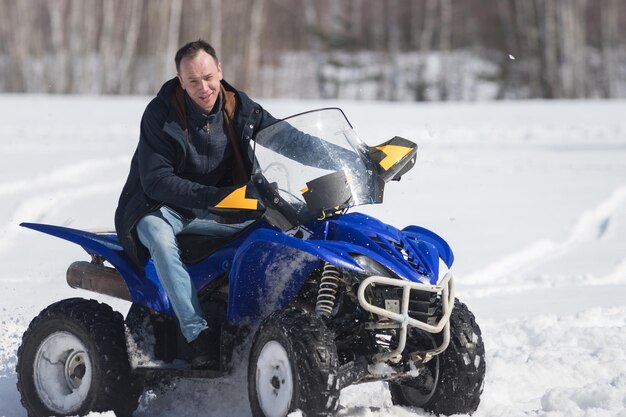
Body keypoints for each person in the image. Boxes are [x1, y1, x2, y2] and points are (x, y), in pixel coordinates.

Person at [115, 40, 277, 369]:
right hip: (157, 208)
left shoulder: (239, 107)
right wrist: (213, 198)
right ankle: (196, 335)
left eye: (207, 77)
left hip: (219, 206)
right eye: (192, 81)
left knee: (276, 224)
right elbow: (156, 180)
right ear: (180, 80)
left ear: (220, 70)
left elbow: (286, 137)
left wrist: (352, 157)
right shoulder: (161, 115)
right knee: (160, 238)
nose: (203, 88)